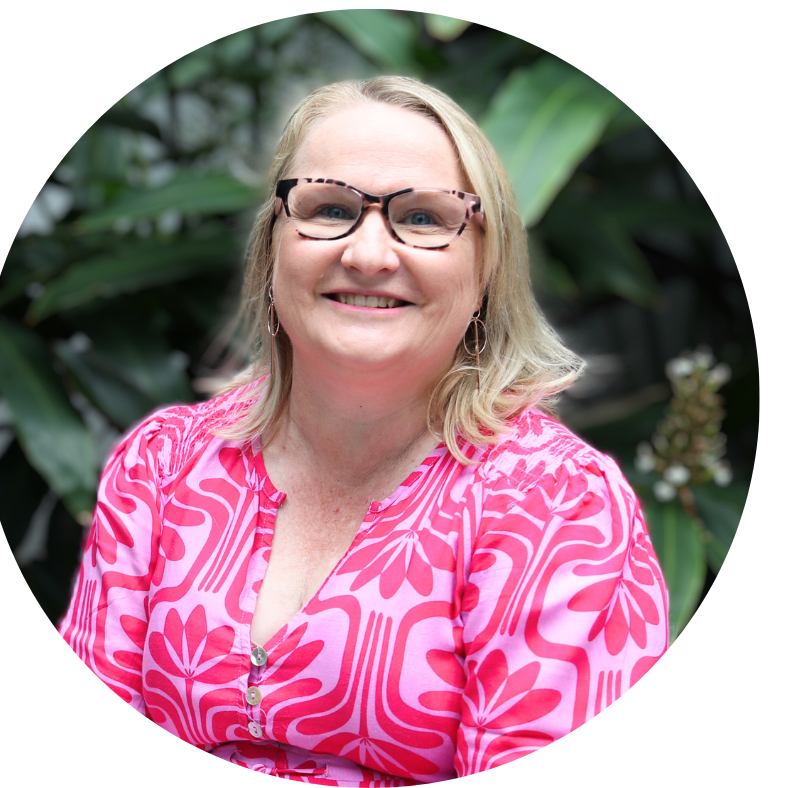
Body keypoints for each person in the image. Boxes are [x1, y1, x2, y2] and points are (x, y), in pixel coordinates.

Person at [58, 76, 668, 782]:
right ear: (272, 251)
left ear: (486, 270)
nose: (370, 254)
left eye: (423, 218)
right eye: (328, 208)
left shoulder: (556, 506)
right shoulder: (162, 469)